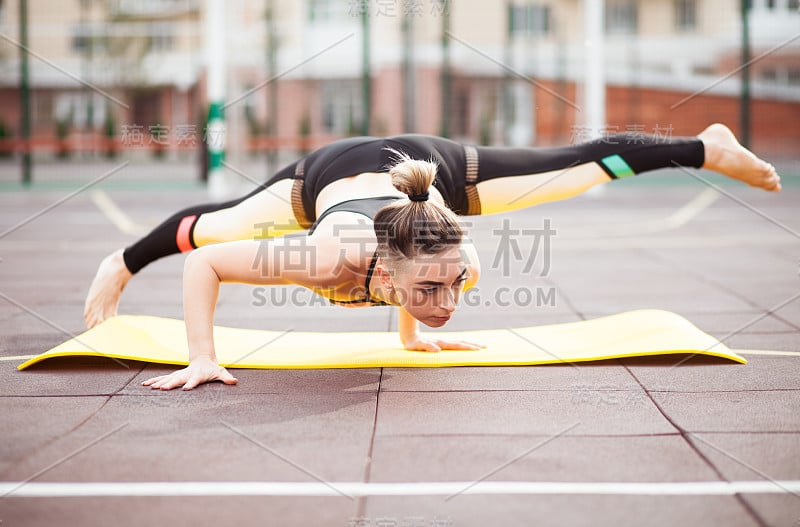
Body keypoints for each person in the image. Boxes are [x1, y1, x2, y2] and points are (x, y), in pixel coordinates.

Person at [83, 123, 780, 390]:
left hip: (431, 167)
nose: (451, 301)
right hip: (320, 180)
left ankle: (706, 145)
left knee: (577, 168)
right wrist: (201, 355)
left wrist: (415, 330)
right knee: (213, 228)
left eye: (451, 287)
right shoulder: (327, 256)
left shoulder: (461, 258)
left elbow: (427, 267)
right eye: (433, 294)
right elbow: (205, 265)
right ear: (384, 275)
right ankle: (119, 262)